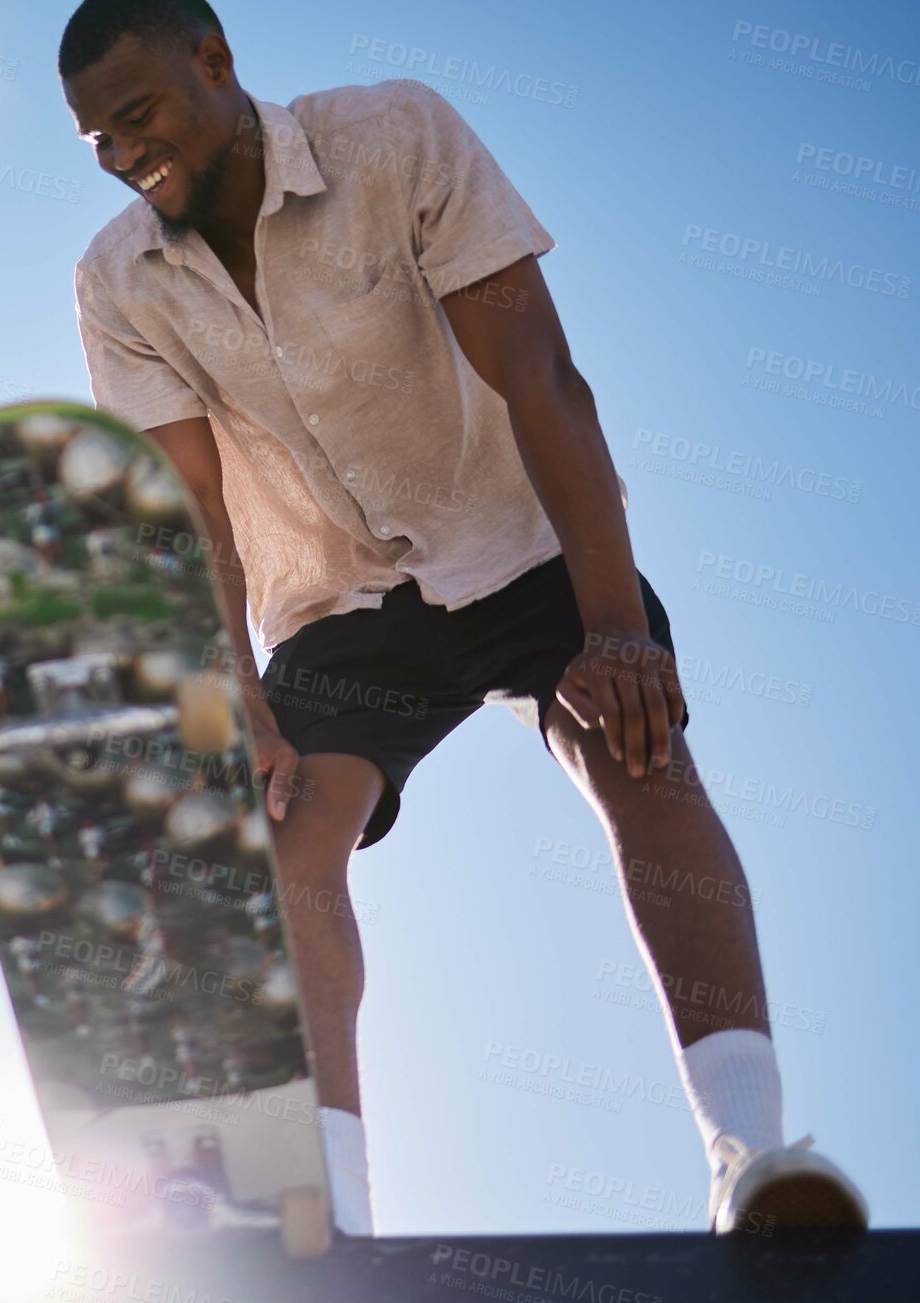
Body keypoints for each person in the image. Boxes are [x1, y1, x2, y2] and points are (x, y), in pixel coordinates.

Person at [59, 0, 866, 1236]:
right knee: (280, 838)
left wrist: (616, 631)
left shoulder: (391, 135)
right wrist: (241, 709)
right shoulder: (117, 279)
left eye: (138, 115)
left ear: (215, 63)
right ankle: (319, 1199)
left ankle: (749, 1156)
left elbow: (541, 374)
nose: (123, 154)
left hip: (522, 539)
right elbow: (190, 522)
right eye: (95, 140)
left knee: (639, 753)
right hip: (337, 595)